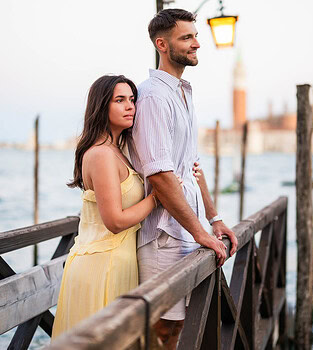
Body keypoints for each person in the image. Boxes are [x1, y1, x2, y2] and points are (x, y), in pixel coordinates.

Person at [127, 8, 238, 350]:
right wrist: (201, 232)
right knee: (162, 334)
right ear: (162, 44)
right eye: (187, 37)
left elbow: (191, 165)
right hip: (163, 234)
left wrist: (214, 219)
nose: (197, 44)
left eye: (196, 36)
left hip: (187, 229)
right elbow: (160, 177)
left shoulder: (183, 92)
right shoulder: (153, 97)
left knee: (180, 330)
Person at [52, 75, 161, 338]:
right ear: (102, 106)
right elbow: (114, 221)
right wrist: (157, 198)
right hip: (102, 265)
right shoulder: (101, 153)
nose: (130, 106)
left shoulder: (117, 149)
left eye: (132, 100)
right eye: (120, 100)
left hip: (116, 261)